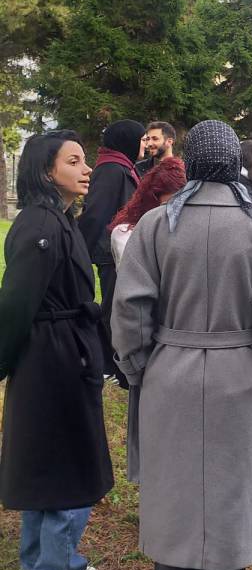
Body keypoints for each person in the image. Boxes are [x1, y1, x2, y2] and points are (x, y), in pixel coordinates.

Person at [111, 120, 252, 570]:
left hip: (168, 372)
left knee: (175, 492)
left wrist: (141, 368)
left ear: (190, 162)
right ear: (235, 165)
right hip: (241, 380)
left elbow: (129, 311)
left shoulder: (154, 226)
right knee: (230, 501)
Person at [0, 131, 114, 570]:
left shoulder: (53, 219)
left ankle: (36, 561)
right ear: (47, 171)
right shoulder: (41, 227)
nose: (86, 169)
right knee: (70, 459)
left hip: (57, 350)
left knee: (48, 458)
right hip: (55, 357)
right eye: (74, 161)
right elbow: (16, 304)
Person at [108, 156, 188, 482]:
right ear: (154, 197)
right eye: (170, 202)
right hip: (150, 335)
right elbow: (134, 299)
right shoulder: (128, 233)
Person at [78, 119, 145, 379]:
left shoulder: (122, 167)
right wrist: (80, 252)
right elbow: (96, 213)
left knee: (118, 306)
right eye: (141, 140)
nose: (145, 145)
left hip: (119, 250)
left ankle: (113, 363)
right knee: (113, 308)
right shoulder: (111, 169)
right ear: (128, 141)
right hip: (111, 252)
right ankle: (110, 363)